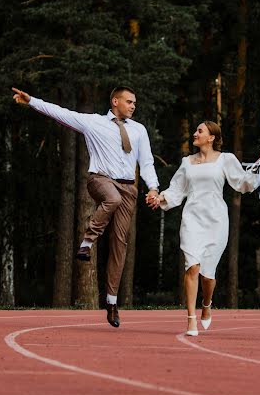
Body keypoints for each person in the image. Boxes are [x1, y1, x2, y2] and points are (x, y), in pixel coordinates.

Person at [12, 86, 159, 328]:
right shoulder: (92, 123)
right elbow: (60, 112)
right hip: (100, 180)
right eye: (129, 101)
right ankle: (87, 242)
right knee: (112, 199)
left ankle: (111, 302)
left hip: (128, 187)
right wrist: (31, 101)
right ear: (115, 101)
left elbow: (147, 161)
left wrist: (152, 187)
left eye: (135, 102)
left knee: (119, 244)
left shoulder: (139, 130)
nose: (134, 106)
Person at [147, 121, 260, 336]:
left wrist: (256, 169)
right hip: (192, 218)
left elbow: (241, 182)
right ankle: (191, 319)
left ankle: (207, 302)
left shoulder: (225, 159)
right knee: (192, 266)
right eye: (195, 130)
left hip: (216, 220)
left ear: (211, 137)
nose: (195, 133)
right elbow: (177, 189)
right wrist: (160, 198)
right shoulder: (187, 162)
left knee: (207, 275)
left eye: (200, 131)